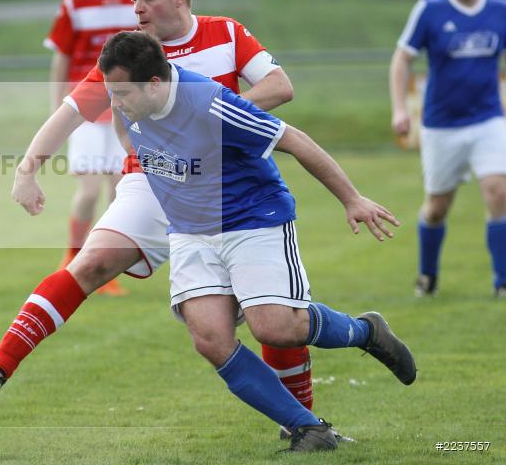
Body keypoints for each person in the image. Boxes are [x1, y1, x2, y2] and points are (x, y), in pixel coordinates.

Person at [0, 0, 333, 440]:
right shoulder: (132, 54)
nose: (136, 7)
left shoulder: (225, 33)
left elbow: (279, 86)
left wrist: (209, 116)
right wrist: (27, 169)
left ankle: (303, 426)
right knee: (89, 264)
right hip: (151, 181)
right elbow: (73, 112)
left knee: (274, 316)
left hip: (229, 188)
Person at [98, 30, 415, 452]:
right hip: (191, 231)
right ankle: (309, 429)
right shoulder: (129, 100)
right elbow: (127, 130)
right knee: (210, 338)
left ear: (155, 84)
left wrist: (352, 198)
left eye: (121, 93)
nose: (114, 102)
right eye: (110, 92)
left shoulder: (210, 104)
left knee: (276, 329)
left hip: (252, 218)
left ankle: (367, 331)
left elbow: (295, 140)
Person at [390, 0, 506, 298]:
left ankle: (502, 282)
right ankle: (427, 276)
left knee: (498, 192)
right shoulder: (430, 10)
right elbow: (402, 59)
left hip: (488, 119)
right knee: (438, 207)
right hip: (441, 125)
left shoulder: (500, 11)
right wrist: (398, 108)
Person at [44, 0, 137, 296]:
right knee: (87, 191)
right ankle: (71, 258)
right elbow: (62, 59)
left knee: (118, 191)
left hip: (127, 113)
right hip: (85, 111)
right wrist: (57, 112)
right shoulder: (76, 2)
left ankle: (105, 268)